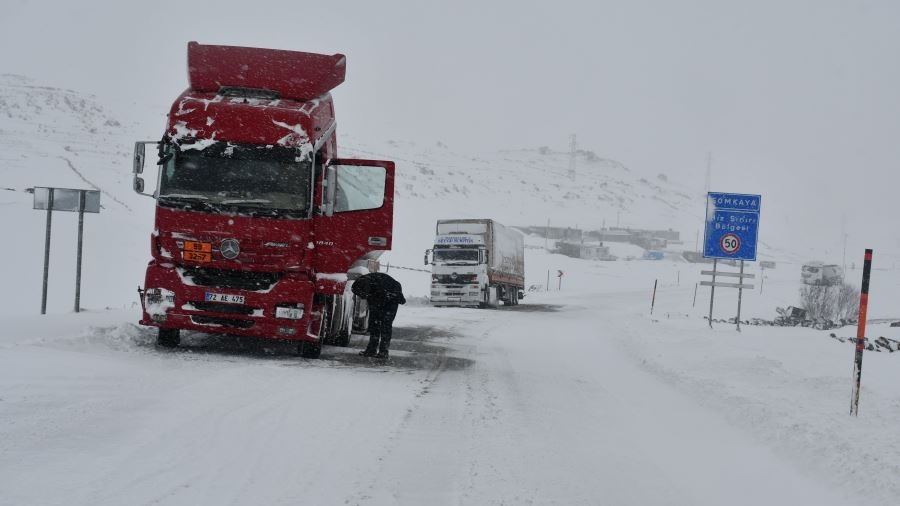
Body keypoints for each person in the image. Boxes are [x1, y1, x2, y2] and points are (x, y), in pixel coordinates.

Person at [351, 272, 406, 359]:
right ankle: (378, 351)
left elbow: (377, 299)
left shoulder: (370, 284)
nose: (362, 297)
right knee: (379, 325)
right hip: (388, 296)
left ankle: (378, 351)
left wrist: (375, 310)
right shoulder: (367, 283)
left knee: (383, 326)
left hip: (390, 298)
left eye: (361, 294)